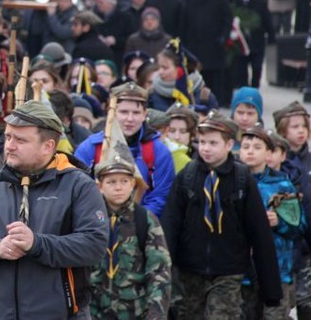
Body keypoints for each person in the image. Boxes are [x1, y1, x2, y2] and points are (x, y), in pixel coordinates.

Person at [0, 101, 109, 319]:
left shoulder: (78, 185)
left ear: (48, 146)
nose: (10, 146)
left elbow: (94, 245)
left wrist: (37, 243)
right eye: (8, 137)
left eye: (20, 140)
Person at [161, 112, 282, 318]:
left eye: (213, 143)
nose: (206, 148)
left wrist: (270, 289)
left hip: (228, 270)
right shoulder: (187, 176)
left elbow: (260, 234)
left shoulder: (242, 180)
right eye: (202, 142)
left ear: (229, 145)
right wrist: (165, 271)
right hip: (190, 269)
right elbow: (170, 225)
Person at [90, 141, 171, 319]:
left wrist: (156, 313)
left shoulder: (145, 219)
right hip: (96, 310)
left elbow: (159, 270)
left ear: (133, 184)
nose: (118, 187)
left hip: (135, 311)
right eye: (111, 182)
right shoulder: (91, 219)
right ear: (100, 187)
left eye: (124, 181)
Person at [76, 82, 175, 217]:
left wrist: (137, 222)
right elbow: (79, 192)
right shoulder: (90, 148)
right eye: (123, 112)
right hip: (97, 225)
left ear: (145, 114)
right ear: (112, 112)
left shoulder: (158, 151)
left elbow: (159, 197)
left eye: (136, 112)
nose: (130, 119)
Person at [238, 125, 306, 319]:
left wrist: (280, 222)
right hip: (241, 273)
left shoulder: (282, 185)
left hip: (277, 270)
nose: (250, 151)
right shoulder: (233, 181)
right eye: (246, 146)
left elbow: (299, 226)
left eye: (257, 147)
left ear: (268, 152)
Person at [273, 101, 311, 320]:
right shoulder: (274, 164)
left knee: (305, 296)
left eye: (303, 126)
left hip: (307, 246)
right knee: (281, 298)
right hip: (282, 244)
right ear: (282, 129)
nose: (300, 131)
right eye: (294, 126)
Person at [179, 0, 232, 107]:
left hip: (214, 47)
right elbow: (183, 25)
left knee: (215, 78)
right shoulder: (188, 1)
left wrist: (223, 38)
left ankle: (215, 104)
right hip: (194, 47)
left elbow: (227, 20)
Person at [229, 0, 275, 88]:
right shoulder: (234, 2)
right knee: (241, 70)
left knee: (257, 67)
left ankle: (254, 89)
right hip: (240, 43)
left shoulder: (260, 2)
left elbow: (267, 20)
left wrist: (271, 37)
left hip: (257, 41)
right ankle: (244, 91)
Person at [148, 40, 218, 112]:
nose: (160, 72)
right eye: (158, 67)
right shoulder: (152, 95)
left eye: (165, 68)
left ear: (181, 69)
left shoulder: (204, 96)